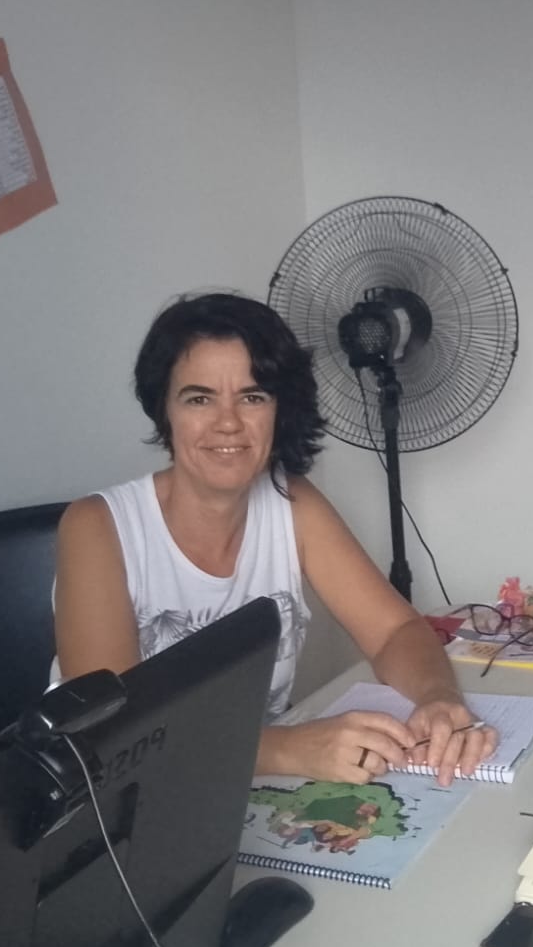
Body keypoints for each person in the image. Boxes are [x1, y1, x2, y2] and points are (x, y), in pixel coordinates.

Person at [54, 292, 495, 786]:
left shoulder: (293, 503)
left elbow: (395, 631)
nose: (228, 422)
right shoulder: (96, 526)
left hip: (244, 787)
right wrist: (288, 748)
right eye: (199, 398)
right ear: (165, 410)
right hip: (118, 799)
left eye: (253, 397)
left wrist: (438, 698)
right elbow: (113, 736)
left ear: (279, 409)